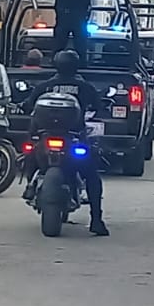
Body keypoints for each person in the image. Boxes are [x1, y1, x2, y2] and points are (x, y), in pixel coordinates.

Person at [21, 50, 109, 236]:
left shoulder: (46, 86)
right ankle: (96, 219)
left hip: (44, 142)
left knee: (30, 153)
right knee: (92, 176)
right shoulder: (84, 87)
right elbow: (99, 107)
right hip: (73, 140)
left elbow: (28, 105)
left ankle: (30, 185)